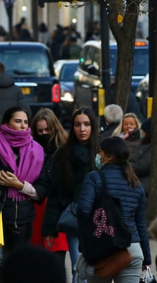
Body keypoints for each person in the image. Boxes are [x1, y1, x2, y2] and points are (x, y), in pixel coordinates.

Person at [0, 106, 49, 265]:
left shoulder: (37, 152)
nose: (22, 126)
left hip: (23, 219)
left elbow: (41, 190)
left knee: (18, 267)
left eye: (26, 122)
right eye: (18, 121)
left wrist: (19, 185)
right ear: (6, 124)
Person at [76, 136, 151, 282]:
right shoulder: (135, 183)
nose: (98, 155)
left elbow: (83, 211)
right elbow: (141, 224)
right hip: (133, 250)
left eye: (100, 152)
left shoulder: (94, 178)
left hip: (103, 249)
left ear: (109, 157)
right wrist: (146, 257)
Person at [42, 108, 99, 283]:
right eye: (78, 124)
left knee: (99, 268)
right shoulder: (63, 154)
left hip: (102, 218)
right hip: (76, 217)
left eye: (87, 124)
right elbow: (56, 192)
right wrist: (50, 229)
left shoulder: (103, 151)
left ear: (93, 127)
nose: (82, 129)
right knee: (79, 268)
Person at [29, 109, 69, 264]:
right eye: (40, 131)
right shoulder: (31, 149)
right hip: (37, 204)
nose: (44, 133)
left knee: (56, 255)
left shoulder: (64, 149)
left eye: (47, 130)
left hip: (56, 206)